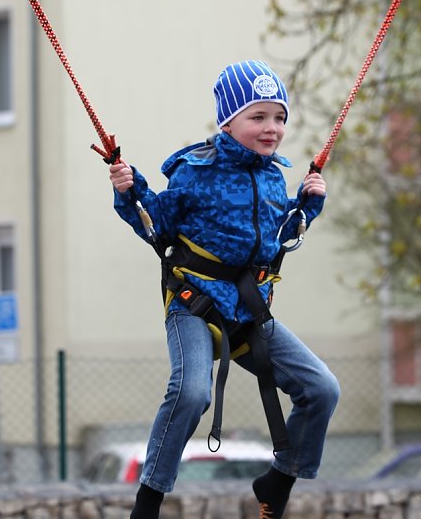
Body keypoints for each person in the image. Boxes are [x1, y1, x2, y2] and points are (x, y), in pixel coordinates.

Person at [108, 60, 341, 519]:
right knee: (192, 392)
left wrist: (306, 206)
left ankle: (278, 479)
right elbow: (157, 224)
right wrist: (129, 190)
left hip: (247, 314)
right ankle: (148, 500)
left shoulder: (274, 177)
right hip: (194, 305)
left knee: (322, 389)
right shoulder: (196, 171)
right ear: (228, 121)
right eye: (258, 117)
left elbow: (279, 238)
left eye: (278, 118)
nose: (271, 128)